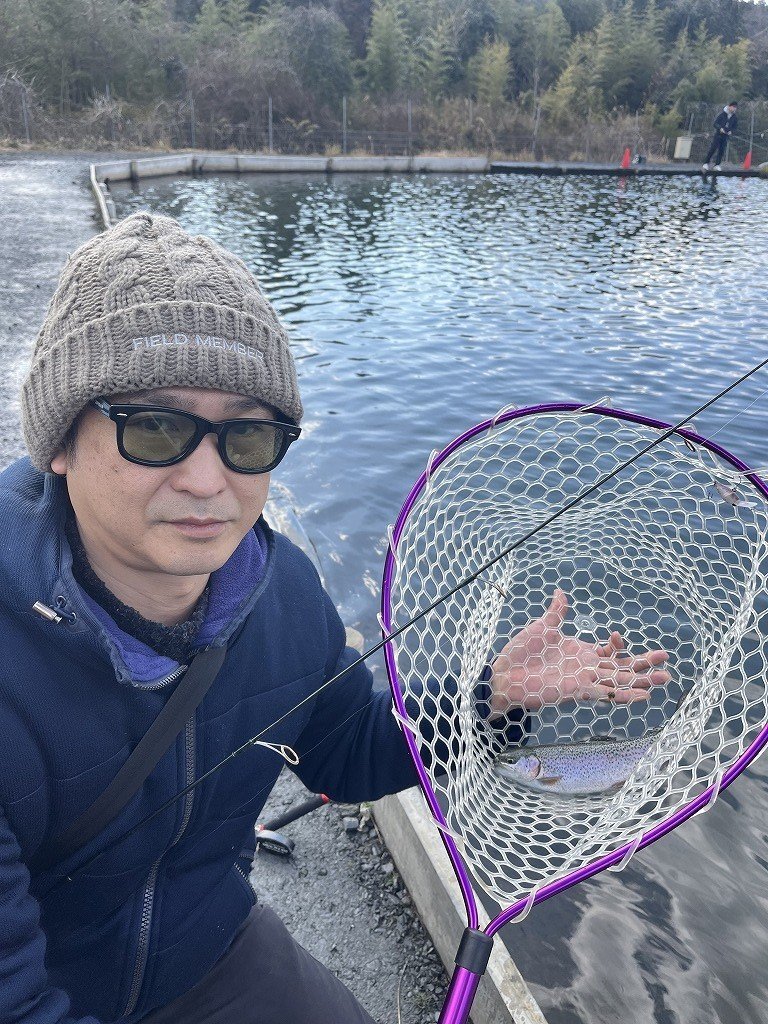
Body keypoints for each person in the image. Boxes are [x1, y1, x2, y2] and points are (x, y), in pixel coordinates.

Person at [0, 212, 670, 1024]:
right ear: (59, 441)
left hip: (201, 946)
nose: (207, 481)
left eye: (248, 436)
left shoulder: (280, 592)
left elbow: (345, 751)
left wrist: (493, 698)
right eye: (157, 427)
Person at [702, 101, 738, 171]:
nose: (734, 109)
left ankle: (717, 165)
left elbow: (735, 127)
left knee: (721, 151)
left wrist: (731, 131)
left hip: (726, 136)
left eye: (735, 107)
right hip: (718, 135)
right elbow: (715, 124)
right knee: (713, 149)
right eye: (733, 107)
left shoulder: (734, 117)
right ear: (729, 106)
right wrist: (720, 128)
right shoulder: (722, 115)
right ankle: (706, 163)